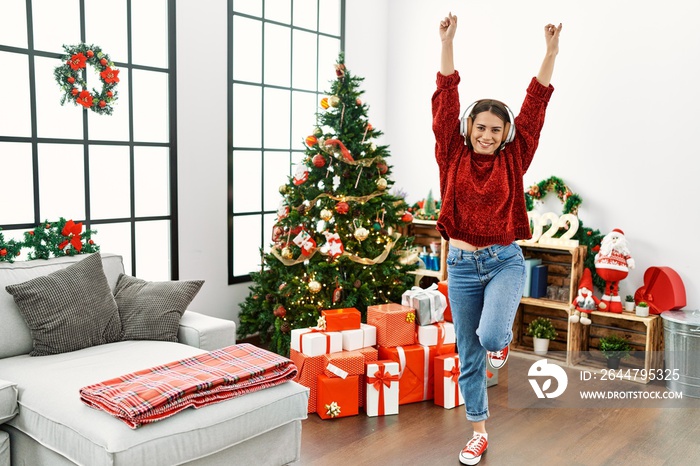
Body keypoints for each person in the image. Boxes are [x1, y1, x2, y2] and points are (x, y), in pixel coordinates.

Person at [432, 12, 562, 466]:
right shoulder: (451, 154)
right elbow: (446, 97)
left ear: (507, 135)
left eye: (496, 129)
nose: (487, 135)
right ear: (469, 128)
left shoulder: (516, 157)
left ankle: (501, 339)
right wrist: (447, 44)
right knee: (468, 354)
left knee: (488, 336)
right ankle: (478, 432)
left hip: (505, 260)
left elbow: (535, 106)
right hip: (463, 267)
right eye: (480, 127)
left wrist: (549, 54)